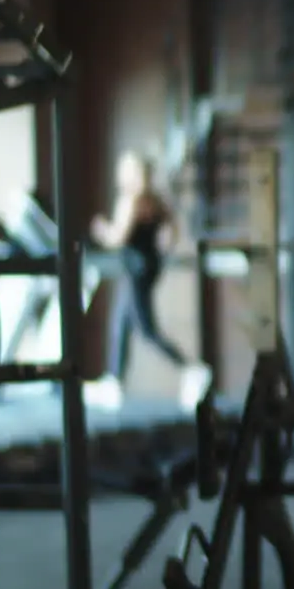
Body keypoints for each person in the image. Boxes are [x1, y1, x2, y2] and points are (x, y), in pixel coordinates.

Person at [88, 152, 205, 409]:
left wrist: (101, 229)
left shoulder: (131, 201)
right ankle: (114, 381)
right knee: (121, 323)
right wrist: (163, 250)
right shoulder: (155, 201)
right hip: (148, 267)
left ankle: (191, 369)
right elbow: (173, 228)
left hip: (134, 269)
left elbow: (118, 237)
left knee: (145, 329)